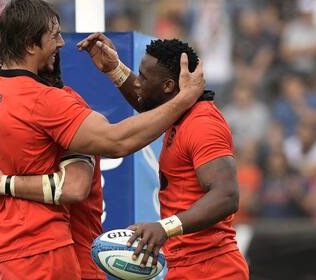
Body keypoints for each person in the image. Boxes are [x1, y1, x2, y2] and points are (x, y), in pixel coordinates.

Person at [0, 0, 205, 279]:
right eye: (54, 35)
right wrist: (184, 100)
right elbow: (101, 158)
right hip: (43, 256)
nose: (61, 43)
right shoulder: (51, 103)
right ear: (29, 45)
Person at [77, 33, 249, 279]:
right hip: (185, 266)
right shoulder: (179, 114)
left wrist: (164, 228)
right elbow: (150, 105)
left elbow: (226, 196)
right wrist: (114, 68)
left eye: (144, 78)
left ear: (168, 86)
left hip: (213, 269)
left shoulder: (203, 124)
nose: (138, 83)